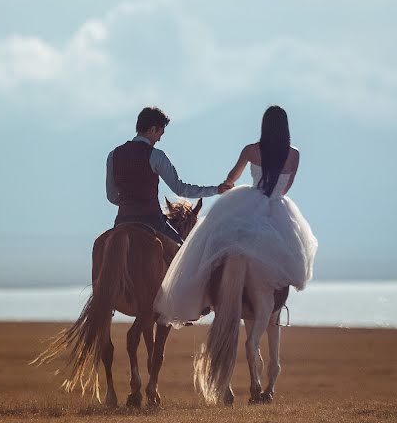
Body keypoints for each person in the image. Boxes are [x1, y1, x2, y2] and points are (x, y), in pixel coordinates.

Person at [155, 105, 318, 326]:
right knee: (283, 256)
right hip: (278, 206)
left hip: (249, 200)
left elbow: (232, 176)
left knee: (213, 244)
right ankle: (274, 302)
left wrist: (228, 185)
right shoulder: (294, 154)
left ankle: (204, 298)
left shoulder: (251, 150)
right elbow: (286, 187)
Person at [106, 107, 231, 243]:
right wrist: (216, 190)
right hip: (151, 221)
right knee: (181, 252)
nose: (159, 139)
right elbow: (180, 189)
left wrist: (129, 203)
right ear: (153, 129)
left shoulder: (113, 155)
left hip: (122, 221)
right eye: (160, 133)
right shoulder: (156, 156)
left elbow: (112, 197)